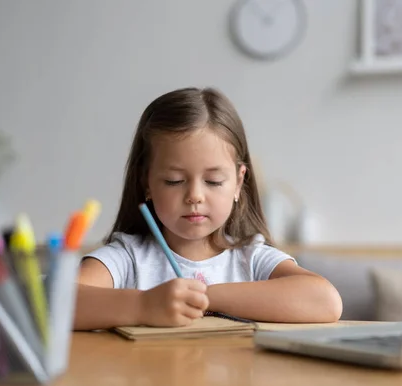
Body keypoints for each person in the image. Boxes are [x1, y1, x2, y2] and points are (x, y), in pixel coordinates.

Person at [74, 87, 342, 330]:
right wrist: (144, 305)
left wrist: (204, 295)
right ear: (147, 183)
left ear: (238, 183)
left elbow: (325, 301)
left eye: (213, 181)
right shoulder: (129, 258)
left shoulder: (252, 258)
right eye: (174, 181)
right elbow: (55, 302)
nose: (194, 196)